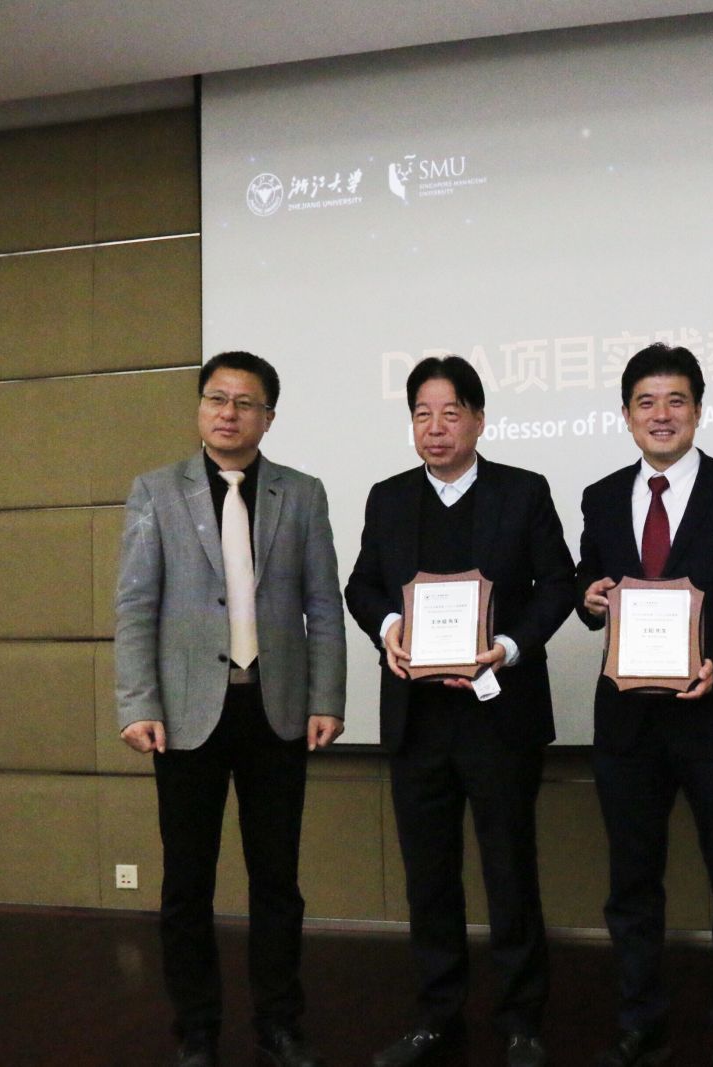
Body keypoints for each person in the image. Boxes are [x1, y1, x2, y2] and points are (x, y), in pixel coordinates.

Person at [115, 350, 347, 1067]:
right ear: (199, 408)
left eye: (246, 403)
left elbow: (323, 605)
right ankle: (197, 1028)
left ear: (268, 417)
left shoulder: (301, 493)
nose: (228, 413)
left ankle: (279, 1024)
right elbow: (135, 606)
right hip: (186, 715)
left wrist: (326, 697)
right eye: (216, 398)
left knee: (277, 881)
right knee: (187, 883)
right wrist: (137, 702)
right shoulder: (156, 491)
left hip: (275, 711)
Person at [345, 356, 573, 1067]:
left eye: (450, 413)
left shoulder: (523, 491)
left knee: (510, 872)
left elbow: (558, 584)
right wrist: (389, 629)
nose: (435, 427)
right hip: (417, 719)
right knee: (430, 877)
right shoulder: (388, 497)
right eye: (422, 413)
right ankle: (437, 1015)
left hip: (497, 715)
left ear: (478, 419)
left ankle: (522, 1021)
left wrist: (508, 647)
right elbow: (362, 586)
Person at [576, 343, 713, 1067]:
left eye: (675, 401)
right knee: (632, 884)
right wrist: (588, 597)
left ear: (697, 409)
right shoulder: (601, 496)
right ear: (626, 414)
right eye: (646, 402)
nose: (660, 415)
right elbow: (589, 582)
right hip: (627, 726)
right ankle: (641, 1023)